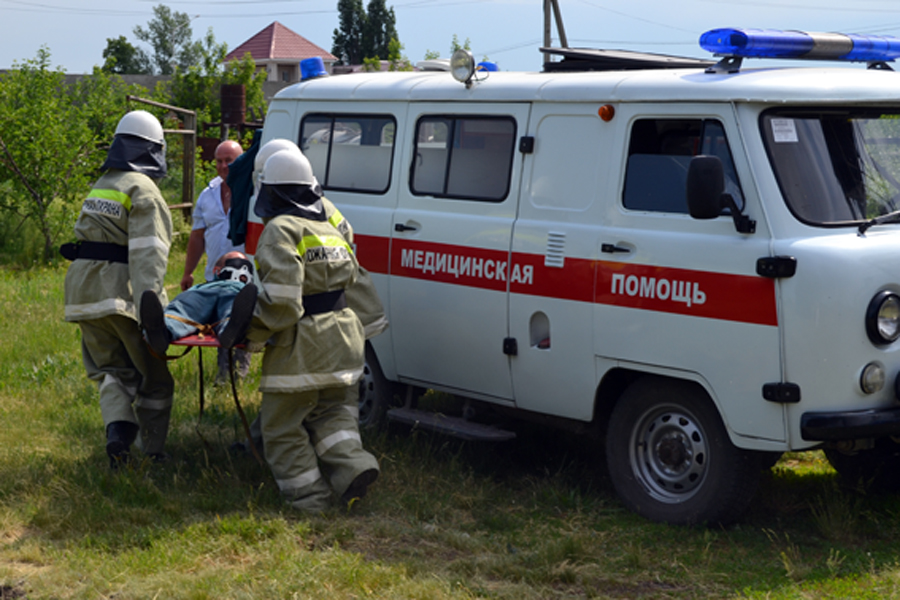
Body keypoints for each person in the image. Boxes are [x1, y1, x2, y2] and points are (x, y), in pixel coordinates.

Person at [243, 149, 380, 512]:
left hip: (303, 347)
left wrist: (250, 333)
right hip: (346, 342)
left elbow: (284, 303)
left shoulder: (280, 230)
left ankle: (310, 500)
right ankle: (355, 468)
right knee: (333, 416)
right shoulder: (329, 229)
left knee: (282, 427)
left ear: (269, 192)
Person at [62, 110, 174, 469]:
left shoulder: (104, 183)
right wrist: (151, 314)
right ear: (154, 150)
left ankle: (117, 435)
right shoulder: (144, 191)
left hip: (82, 294)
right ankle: (152, 453)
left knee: (111, 371)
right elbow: (147, 258)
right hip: (119, 296)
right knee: (155, 381)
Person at [181, 139, 252, 382]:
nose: (223, 166)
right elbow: (197, 236)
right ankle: (223, 377)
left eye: (229, 161)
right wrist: (188, 272)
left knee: (241, 324)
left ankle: (239, 377)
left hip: (245, 276)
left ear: (240, 162)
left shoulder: (251, 191)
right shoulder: (207, 194)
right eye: (219, 161)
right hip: (216, 275)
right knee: (220, 324)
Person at [140, 251, 258, 357]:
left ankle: (232, 331)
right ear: (216, 270)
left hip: (236, 293)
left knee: (232, 312)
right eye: (236, 263)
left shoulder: (245, 294)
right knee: (181, 310)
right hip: (204, 292)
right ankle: (161, 332)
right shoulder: (199, 288)